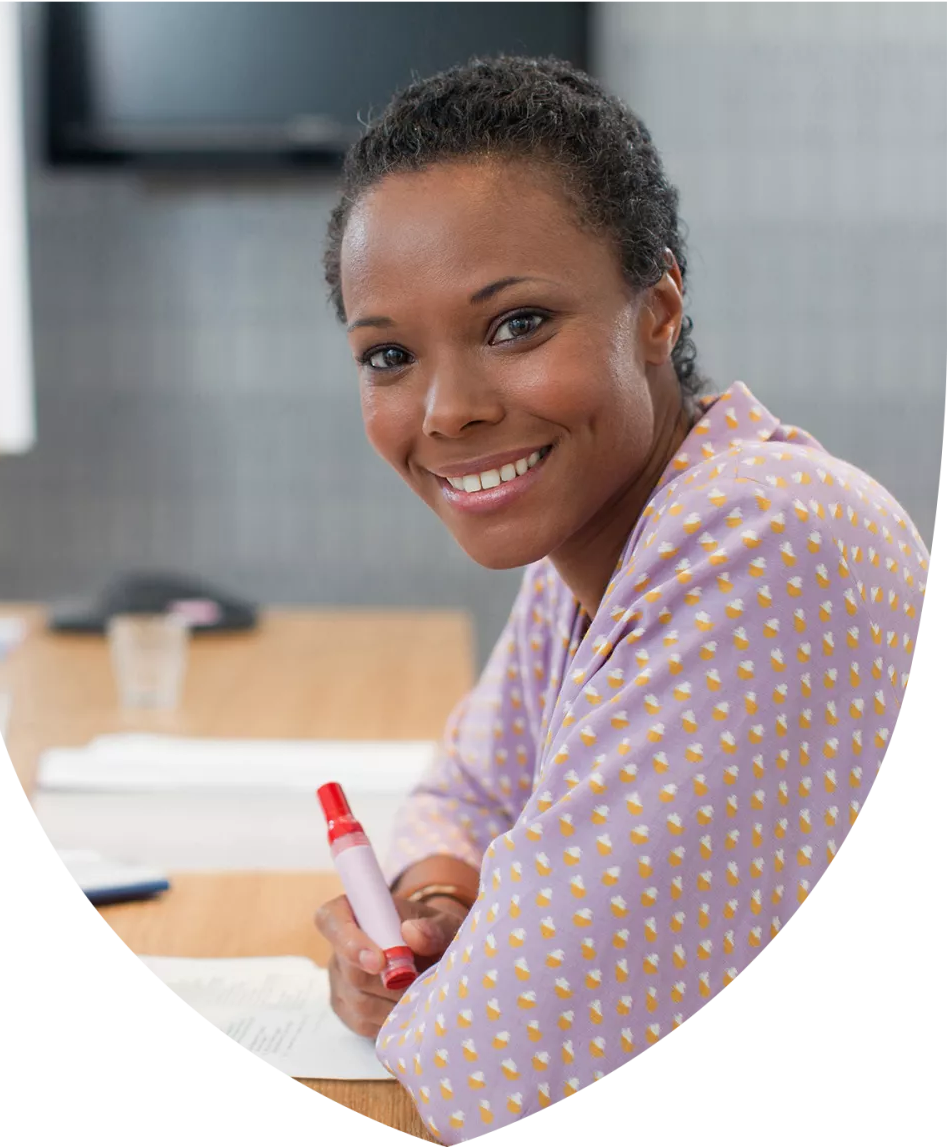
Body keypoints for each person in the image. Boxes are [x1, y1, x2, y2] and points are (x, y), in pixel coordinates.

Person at [312, 55, 931, 1144]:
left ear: (655, 309)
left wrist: (433, 983)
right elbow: (465, 783)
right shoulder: (612, 539)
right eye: (390, 354)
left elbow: (502, 1056)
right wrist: (437, 901)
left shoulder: (761, 537)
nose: (447, 410)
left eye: (515, 326)